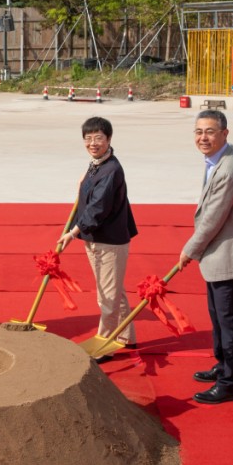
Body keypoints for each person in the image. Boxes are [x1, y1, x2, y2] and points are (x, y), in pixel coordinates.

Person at [178, 110, 233, 404]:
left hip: (229, 254)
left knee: (229, 320)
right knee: (217, 315)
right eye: (199, 131)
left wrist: (189, 250)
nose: (203, 137)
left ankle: (229, 382)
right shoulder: (227, 155)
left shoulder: (229, 169)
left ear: (224, 134)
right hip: (218, 253)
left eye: (210, 132)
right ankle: (223, 365)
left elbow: (212, 218)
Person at [57, 117, 138, 359]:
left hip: (109, 241)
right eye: (88, 138)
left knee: (107, 296)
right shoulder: (97, 164)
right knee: (113, 289)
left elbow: (98, 208)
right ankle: (126, 336)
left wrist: (73, 232)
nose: (93, 143)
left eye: (98, 138)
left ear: (109, 139)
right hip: (97, 238)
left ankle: (104, 345)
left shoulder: (111, 169)